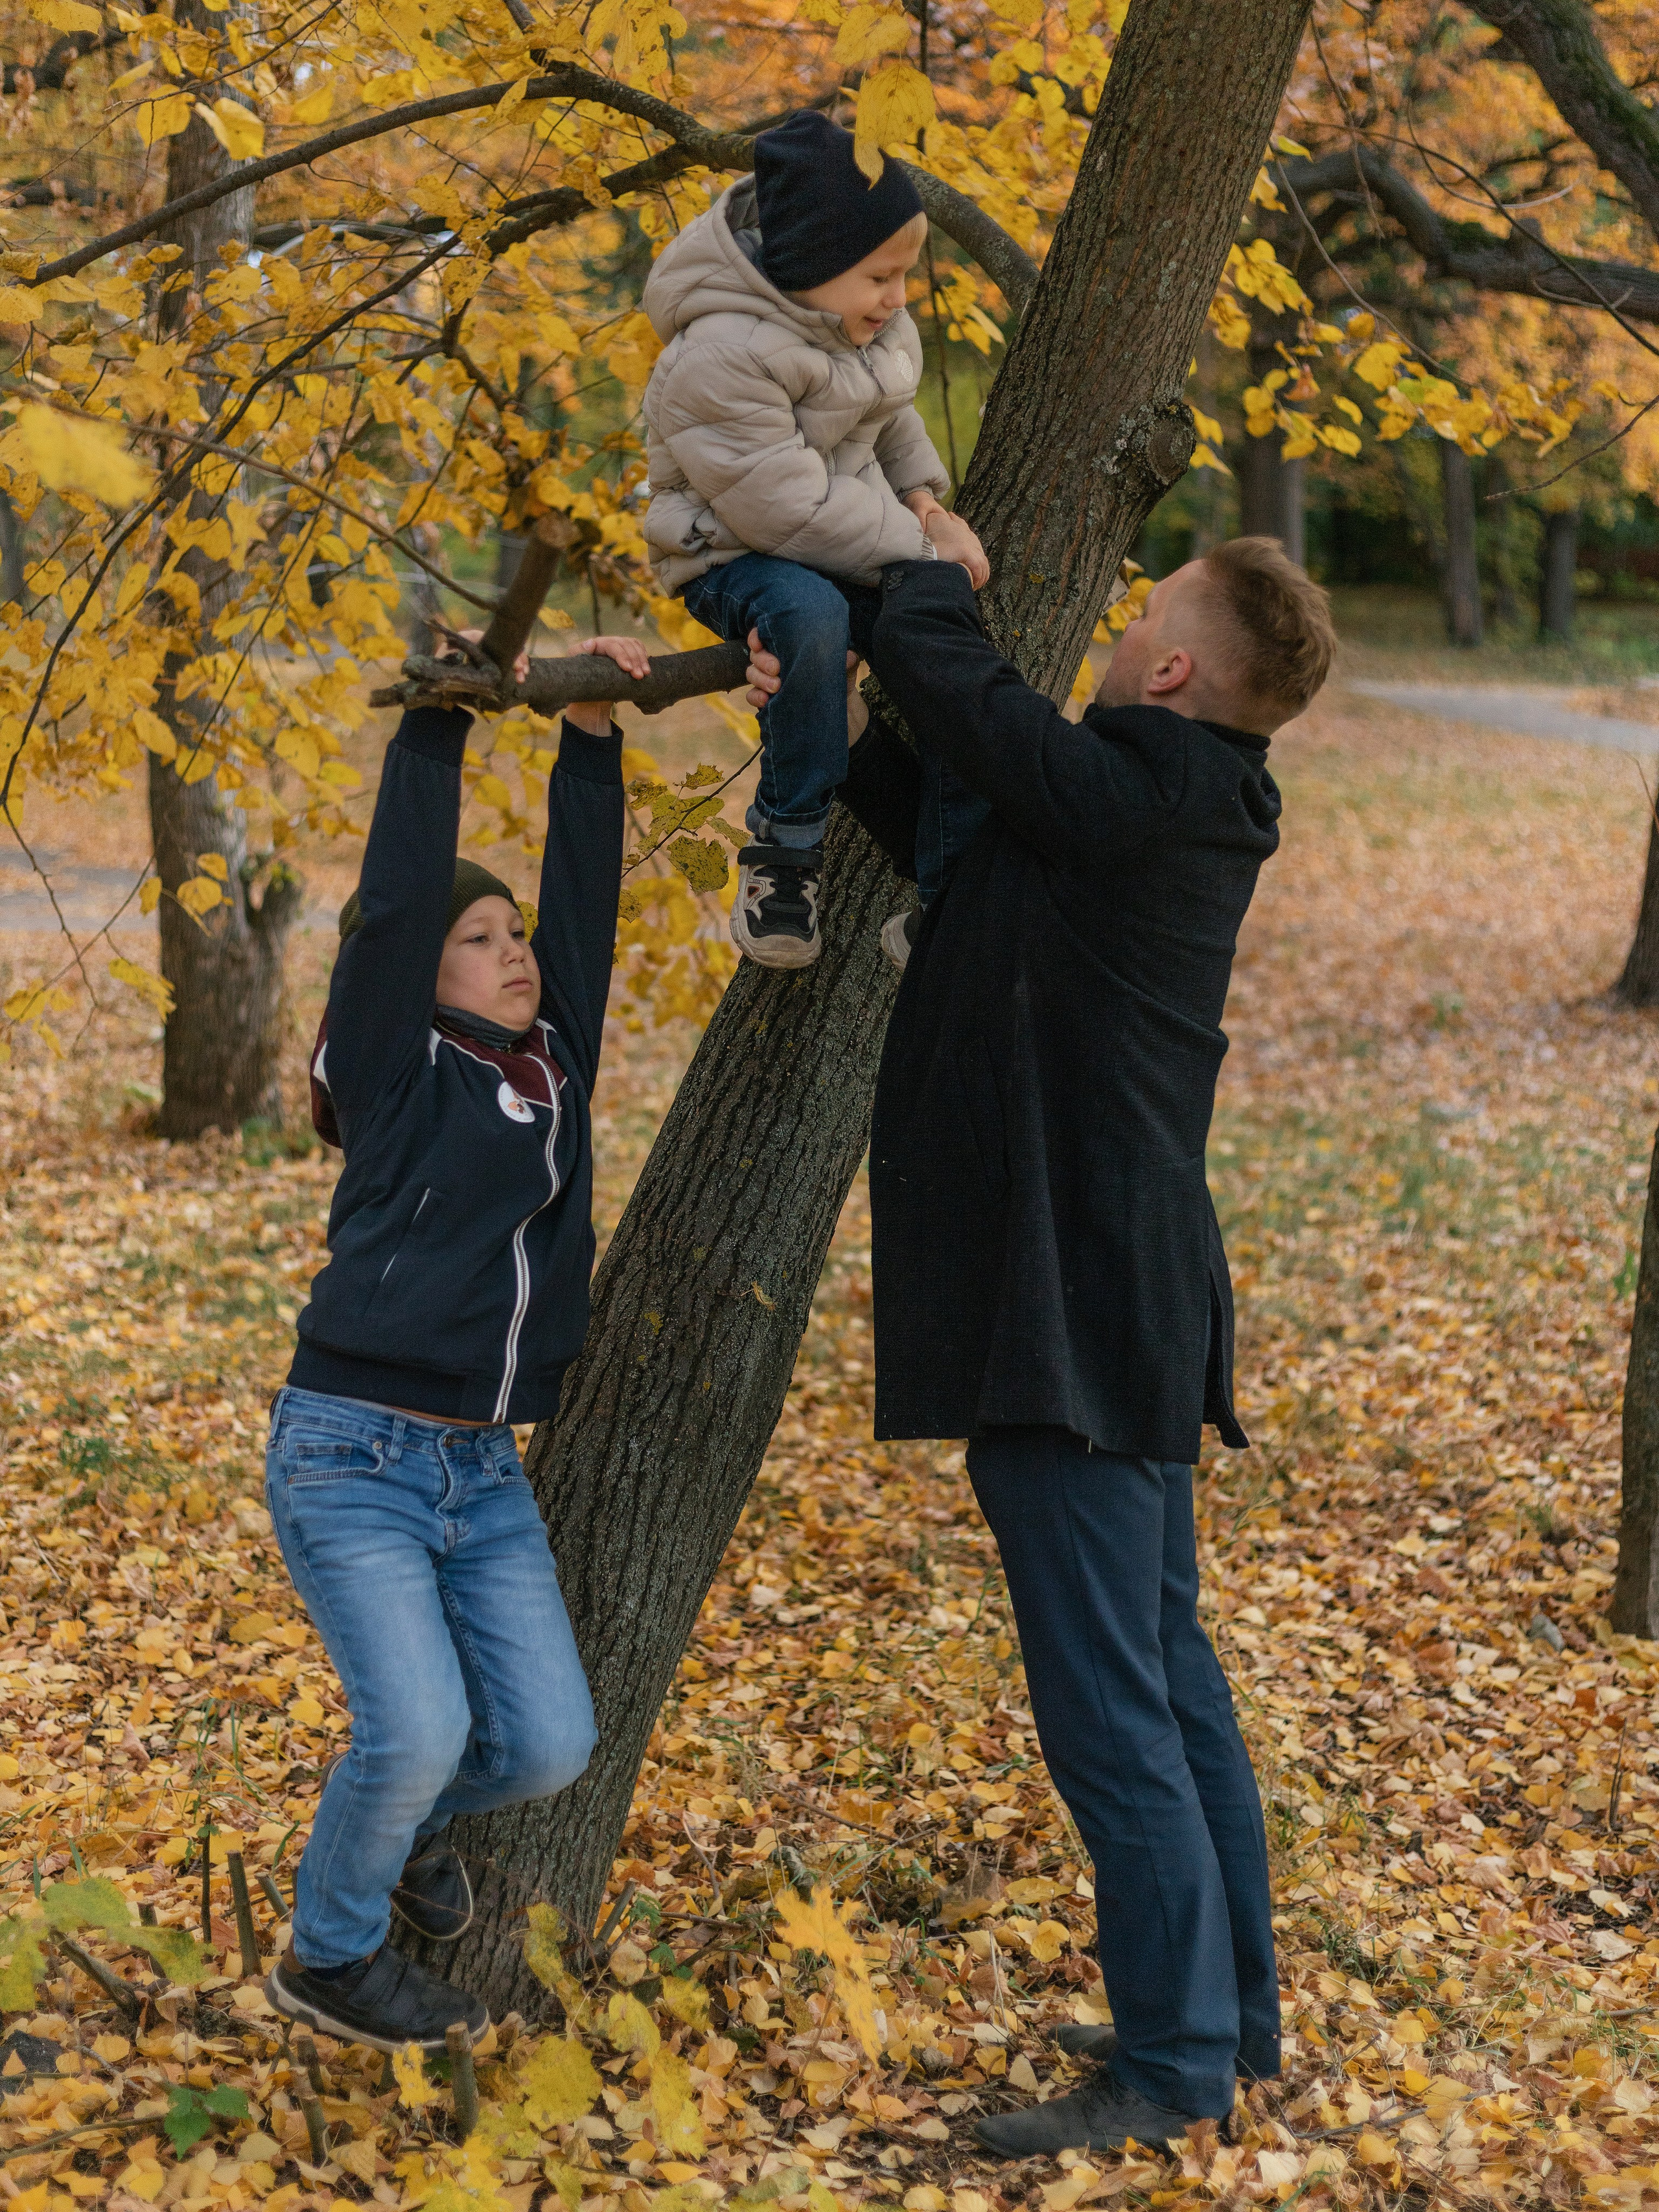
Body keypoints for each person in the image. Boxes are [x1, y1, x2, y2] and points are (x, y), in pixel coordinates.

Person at [746, 537, 1336, 2150]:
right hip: (1117, 1292)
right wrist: (836, 710)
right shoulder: (1143, 801)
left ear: (1167, 678)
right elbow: (959, 825)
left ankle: (1165, 2071)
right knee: (1164, 1676)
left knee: (1113, 1709)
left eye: (1143, 618)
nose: (1120, 623)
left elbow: (989, 719)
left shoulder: (1138, 792)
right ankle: (1228, 2022)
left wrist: (917, 579)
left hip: (1071, 1306)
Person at [261, 630, 648, 2055]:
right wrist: (434, 734)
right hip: (351, 1456)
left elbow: (584, 926)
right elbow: (389, 915)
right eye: (475, 941)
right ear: (419, 979)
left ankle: (401, 1831)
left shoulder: (554, 1072)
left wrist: (592, 741)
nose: (512, 958)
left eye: (511, 940)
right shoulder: (391, 1071)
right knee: (415, 1728)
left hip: (483, 1478)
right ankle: (331, 1951)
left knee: (545, 1746)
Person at [641, 110, 988, 970]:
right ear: (811, 265)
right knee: (808, 615)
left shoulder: (859, 321)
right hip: (733, 550)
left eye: (906, 274)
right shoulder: (717, 353)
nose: (899, 296)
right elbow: (780, 509)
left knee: (942, 628)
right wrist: (913, 542)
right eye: (881, 275)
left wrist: (927, 506)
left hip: (852, 530)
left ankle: (949, 883)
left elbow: (891, 411)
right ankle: (784, 856)